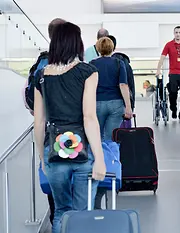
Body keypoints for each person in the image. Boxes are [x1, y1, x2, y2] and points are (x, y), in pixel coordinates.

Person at [33, 22, 106, 233]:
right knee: (82, 213)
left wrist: (42, 157)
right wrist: (100, 159)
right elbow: (89, 117)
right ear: (77, 42)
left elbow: (39, 122)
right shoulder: (88, 72)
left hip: (54, 150)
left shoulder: (41, 76)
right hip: (83, 149)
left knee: (61, 212)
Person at [22, 17, 66, 225]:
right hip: (70, 130)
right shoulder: (72, 62)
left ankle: (57, 219)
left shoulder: (41, 61)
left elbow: (31, 99)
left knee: (54, 186)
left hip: (49, 130)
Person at [89, 36, 133, 209]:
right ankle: (111, 175)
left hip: (97, 104)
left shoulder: (92, 64)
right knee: (110, 141)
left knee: (96, 141)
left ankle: (96, 175)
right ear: (112, 48)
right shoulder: (118, 63)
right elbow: (124, 85)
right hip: (115, 104)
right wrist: (128, 107)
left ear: (98, 48)